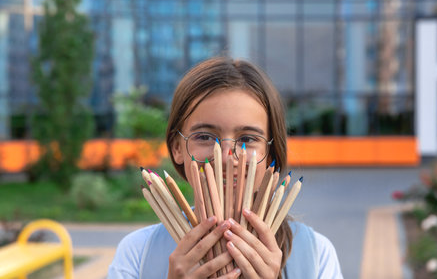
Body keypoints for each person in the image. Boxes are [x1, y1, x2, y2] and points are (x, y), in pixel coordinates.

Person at [108, 57, 343, 279]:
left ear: (270, 152)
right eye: (204, 136)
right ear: (177, 147)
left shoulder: (315, 255)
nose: (227, 157)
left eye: (248, 139)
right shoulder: (138, 252)